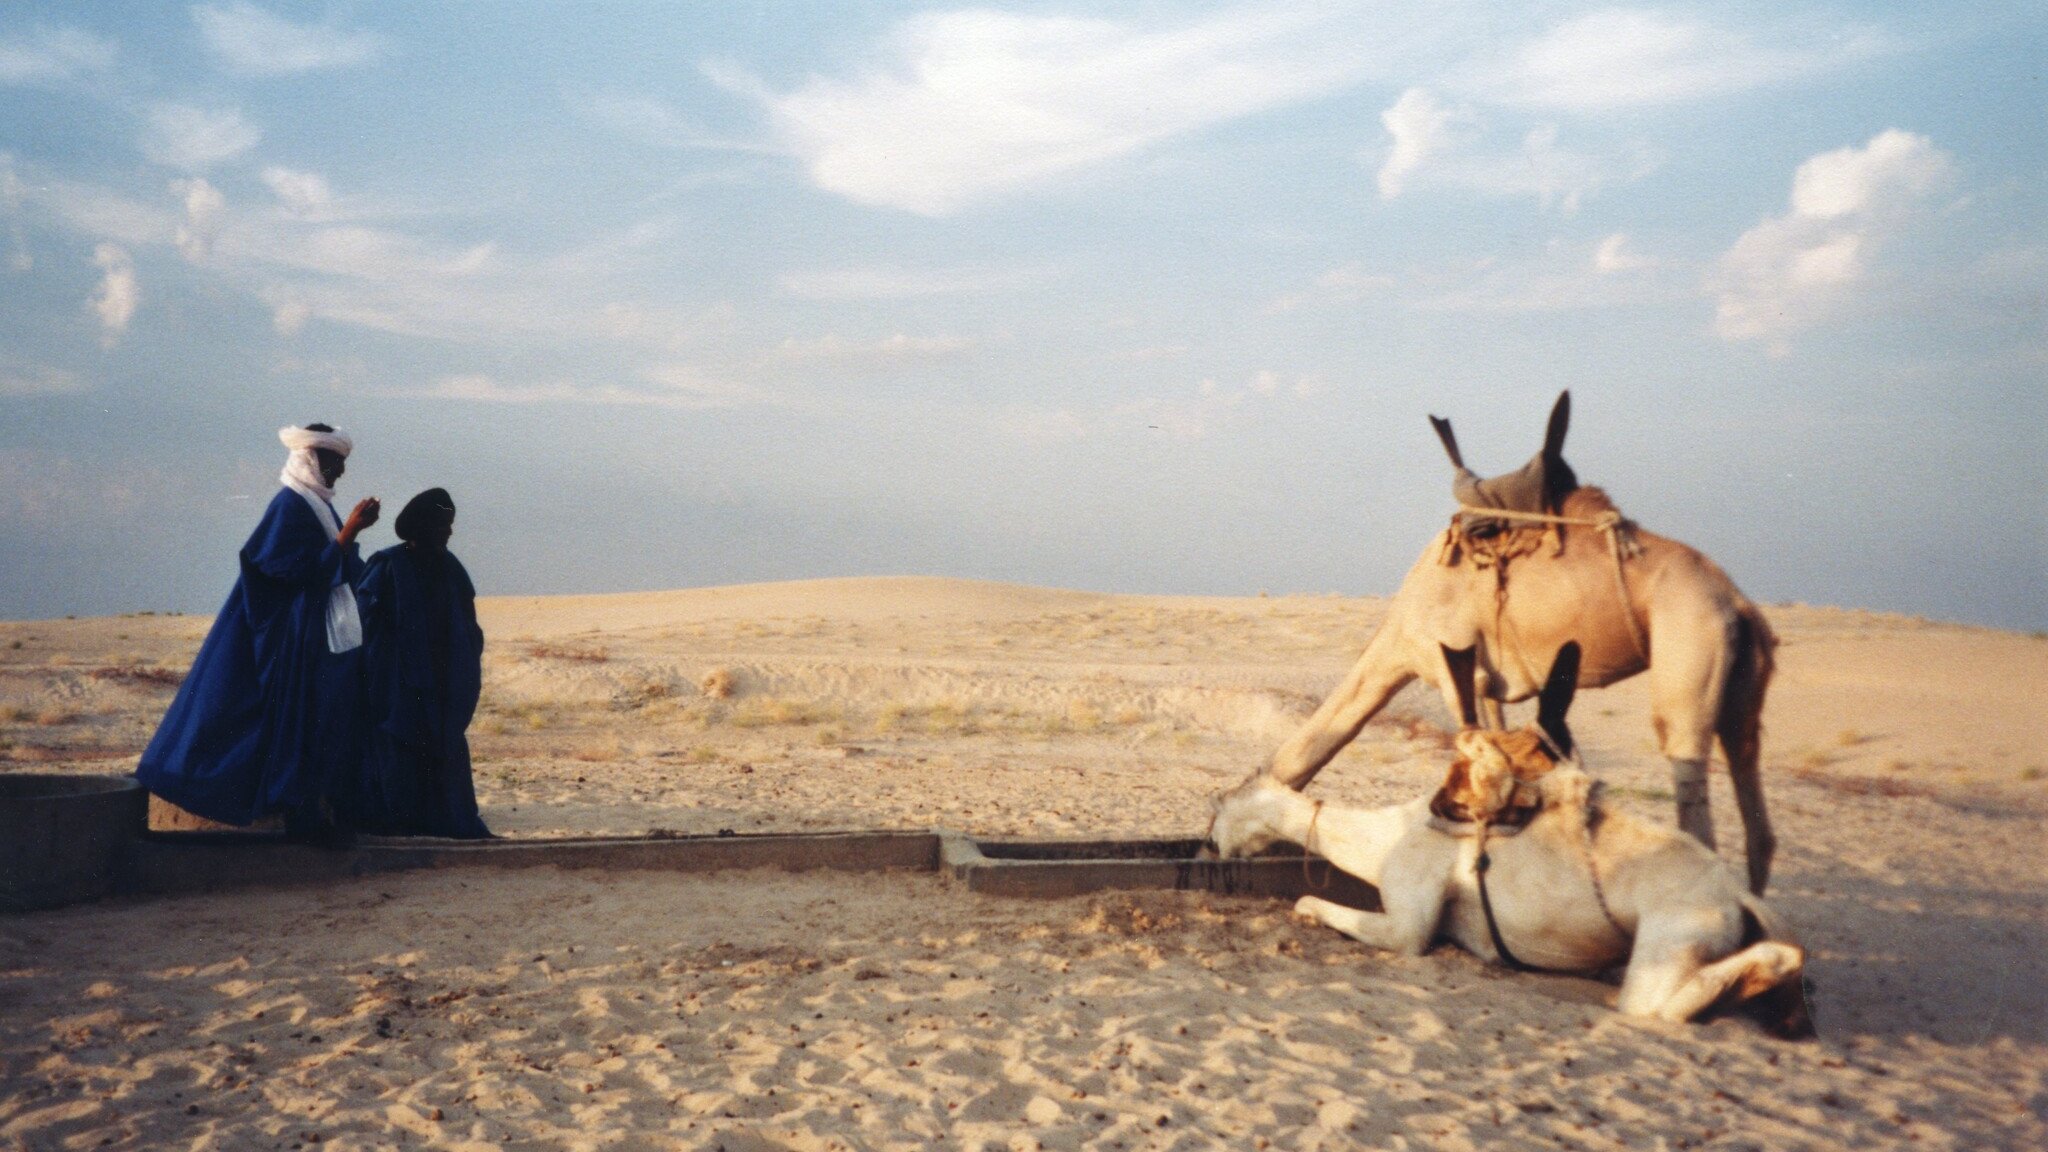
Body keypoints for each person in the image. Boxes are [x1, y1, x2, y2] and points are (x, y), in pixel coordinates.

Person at [137, 425, 379, 840]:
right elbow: (281, 571)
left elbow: (328, 567)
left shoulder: (316, 505)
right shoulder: (290, 506)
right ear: (311, 459)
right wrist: (348, 534)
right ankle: (299, 818)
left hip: (312, 636)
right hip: (285, 639)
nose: (339, 472)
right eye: (334, 462)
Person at [353, 488, 491, 839]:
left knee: (443, 743)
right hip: (397, 681)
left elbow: (467, 620)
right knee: (397, 747)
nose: (449, 532)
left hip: (442, 679)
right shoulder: (387, 565)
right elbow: (364, 622)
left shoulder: (450, 567)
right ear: (424, 525)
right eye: (443, 524)